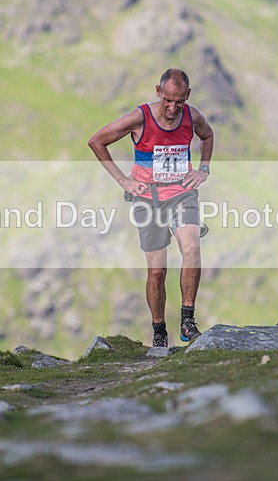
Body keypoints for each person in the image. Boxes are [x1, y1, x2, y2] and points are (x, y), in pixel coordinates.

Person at [88, 68, 214, 347]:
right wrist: (123, 180)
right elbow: (96, 141)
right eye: (167, 100)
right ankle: (159, 331)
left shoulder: (192, 116)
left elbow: (207, 136)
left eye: (179, 101)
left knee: (191, 248)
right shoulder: (140, 118)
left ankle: (188, 321)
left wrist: (203, 169)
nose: (172, 108)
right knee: (157, 272)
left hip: (182, 194)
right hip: (148, 199)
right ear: (158, 92)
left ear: (188, 96)